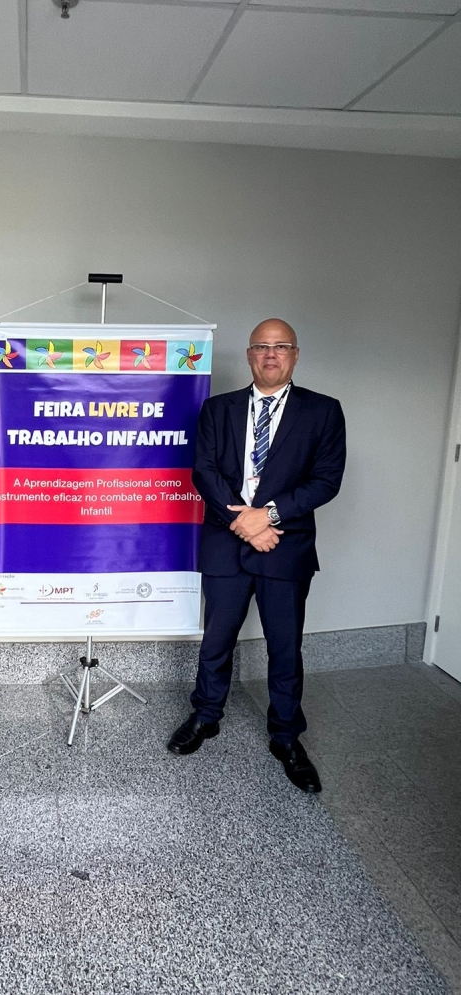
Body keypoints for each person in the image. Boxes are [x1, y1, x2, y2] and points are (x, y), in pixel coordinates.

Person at [167, 318, 346, 793]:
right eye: (262, 347)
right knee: (216, 639)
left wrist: (266, 516)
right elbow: (203, 471)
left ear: (295, 355)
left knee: (284, 647)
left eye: (281, 346)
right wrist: (241, 523)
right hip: (226, 544)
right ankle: (206, 716)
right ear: (249, 355)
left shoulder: (323, 411)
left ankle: (286, 737)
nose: (271, 354)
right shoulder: (217, 409)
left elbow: (326, 480)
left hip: (285, 546)